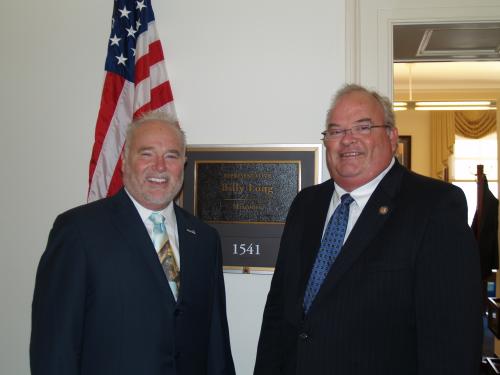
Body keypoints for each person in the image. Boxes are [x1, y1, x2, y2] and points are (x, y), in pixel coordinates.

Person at [254, 84, 483, 375]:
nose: (347, 140)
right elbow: (278, 312)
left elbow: (453, 339)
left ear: (391, 136)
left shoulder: (434, 206)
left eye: (363, 128)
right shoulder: (305, 205)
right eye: (336, 131)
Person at [30, 111, 236, 375]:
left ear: (183, 163)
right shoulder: (78, 232)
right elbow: (54, 349)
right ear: (125, 162)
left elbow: (216, 345)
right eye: (146, 153)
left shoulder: (205, 239)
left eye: (171, 155)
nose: (160, 167)